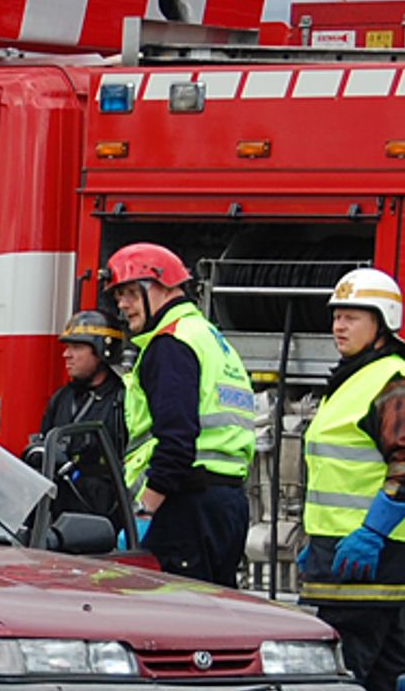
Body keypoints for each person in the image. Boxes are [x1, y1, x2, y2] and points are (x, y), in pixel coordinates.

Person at [297, 266, 405, 691]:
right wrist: (316, 538)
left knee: (341, 665)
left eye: (352, 317)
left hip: (367, 561)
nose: (339, 326)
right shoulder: (357, 380)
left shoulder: (397, 385)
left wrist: (370, 534)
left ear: (383, 323)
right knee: (385, 667)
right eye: (336, 316)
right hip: (344, 553)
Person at [106, 244, 258, 586]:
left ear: (163, 287)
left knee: (174, 622)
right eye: (119, 296)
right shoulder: (209, 337)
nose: (122, 305)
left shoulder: (170, 344)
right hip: (226, 504)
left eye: (131, 293)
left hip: (183, 505)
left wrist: (145, 511)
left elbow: (177, 440)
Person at [28, 309, 130, 541]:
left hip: (103, 518)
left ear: (102, 351)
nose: (66, 355)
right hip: (60, 516)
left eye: (76, 347)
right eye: (67, 347)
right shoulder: (61, 399)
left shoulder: (122, 400)